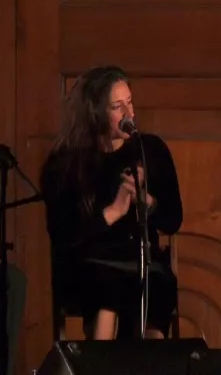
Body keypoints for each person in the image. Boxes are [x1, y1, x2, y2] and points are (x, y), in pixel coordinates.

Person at [41, 65, 183, 340]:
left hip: (142, 262)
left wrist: (148, 203)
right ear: (95, 114)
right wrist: (113, 212)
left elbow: (173, 219)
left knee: (156, 286)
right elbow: (63, 232)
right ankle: (100, 357)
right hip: (91, 263)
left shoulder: (150, 150)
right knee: (106, 290)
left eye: (130, 102)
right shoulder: (66, 163)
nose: (130, 114)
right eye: (118, 107)